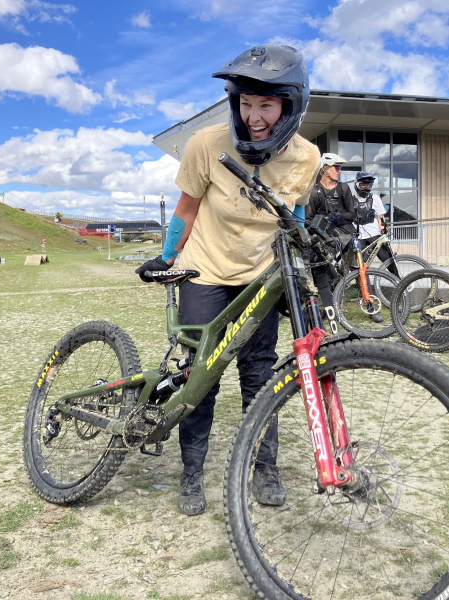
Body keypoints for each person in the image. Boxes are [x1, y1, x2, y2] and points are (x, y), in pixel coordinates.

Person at [135, 45, 320, 516]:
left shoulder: (307, 157)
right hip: (206, 272)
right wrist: (165, 256)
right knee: (202, 377)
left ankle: (265, 469)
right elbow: (187, 208)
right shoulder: (206, 144)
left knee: (261, 377)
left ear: (289, 105)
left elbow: (293, 214)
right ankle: (191, 475)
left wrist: (295, 271)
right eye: (246, 103)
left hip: (259, 278)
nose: (255, 117)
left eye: (267, 104)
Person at [306, 153, 357, 247]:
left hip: (345, 233)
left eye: (340, 168)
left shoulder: (343, 188)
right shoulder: (314, 192)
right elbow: (308, 220)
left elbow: (352, 215)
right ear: (325, 169)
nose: (339, 171)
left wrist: (339, 217)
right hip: (324, 236)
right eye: (337, 167)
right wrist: (324, 221)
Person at [350, 171, 396, 274]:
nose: (366, 187)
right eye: (363, 185)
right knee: (361, 264)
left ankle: (398, 279)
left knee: (387, 258)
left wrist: (383, 227)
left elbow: (380, 216)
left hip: (374, 234)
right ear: (357, 184)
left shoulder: (375, 198)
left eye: (368, 185)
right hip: (358, 235)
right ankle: (362, 287)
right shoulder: (351, 199)